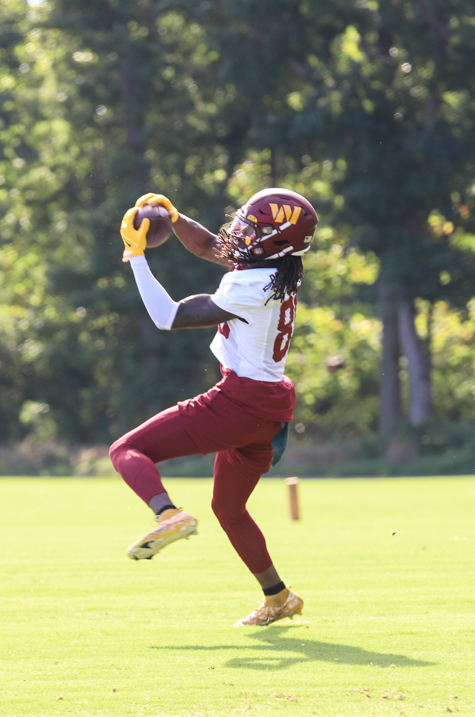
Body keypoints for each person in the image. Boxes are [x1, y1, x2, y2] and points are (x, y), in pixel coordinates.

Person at [109, 188, 317, 627]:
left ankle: (168, 514)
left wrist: (136, 256)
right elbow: (207, 246)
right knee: (229, 508)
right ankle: (278, 597)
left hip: (240, 403)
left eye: (252, 226)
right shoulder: (279, 268)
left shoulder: (253, 284)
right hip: (270, 405)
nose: (239, 228)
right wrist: (176, 215)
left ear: (274, 241)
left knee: (126, 451)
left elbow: (167, 316)